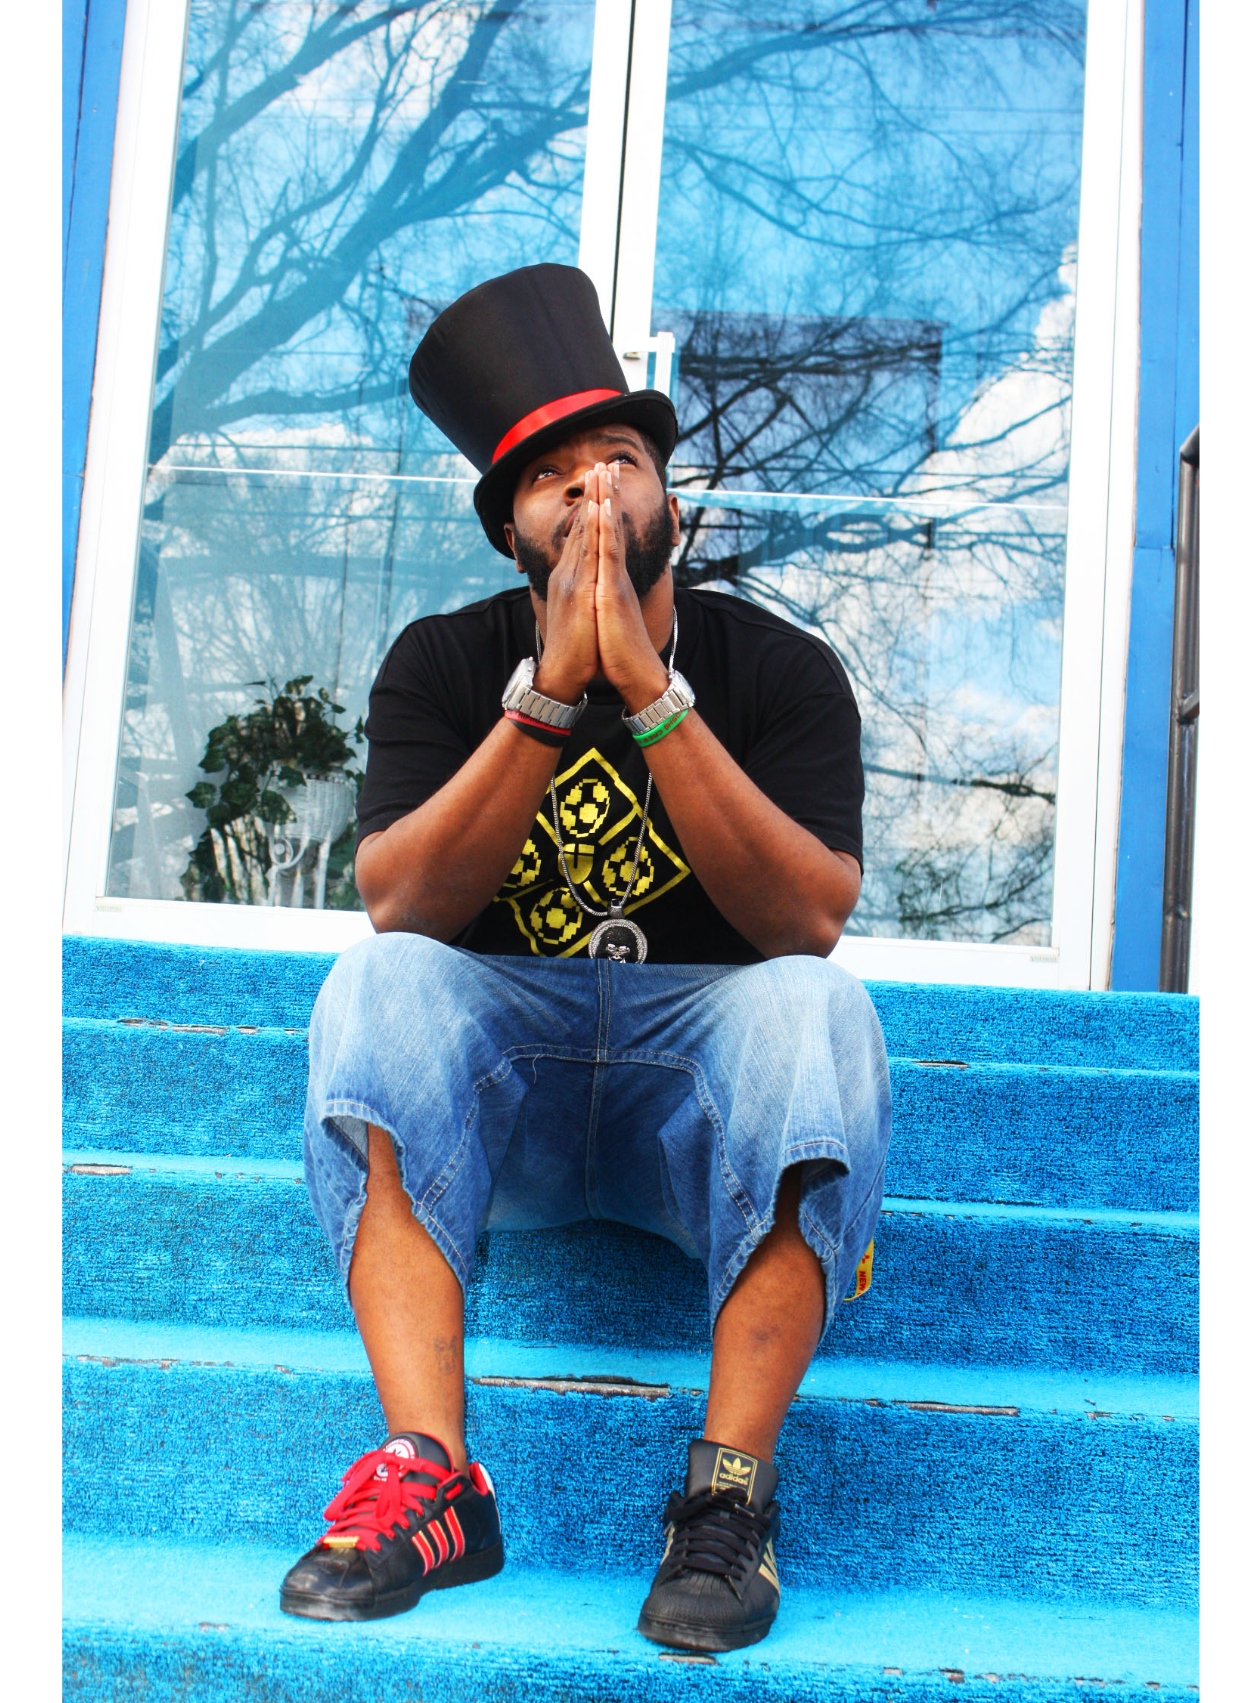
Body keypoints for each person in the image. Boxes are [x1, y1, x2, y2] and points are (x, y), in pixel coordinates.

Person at [279, 264, 892, 1652]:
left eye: (618, 458)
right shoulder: (441, 664)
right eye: (551, 479)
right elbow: (402, 904)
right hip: (518, 1103)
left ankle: (727, 1500)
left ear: (674, 502)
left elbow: (806, 918)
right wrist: (550, 693)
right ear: (512, 532)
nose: (592, 492)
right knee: (374, 979)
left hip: (701, 1104)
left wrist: (655, 701)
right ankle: (433, 1481)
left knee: (817, 1003)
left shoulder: (782, 671)